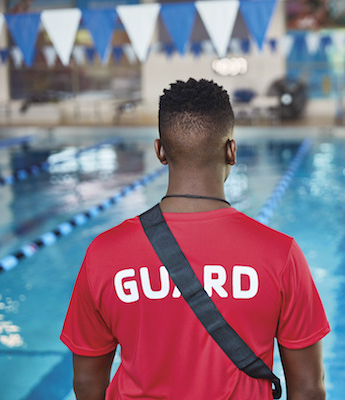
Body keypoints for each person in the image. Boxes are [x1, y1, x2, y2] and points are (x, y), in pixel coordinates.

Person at [60, 79, 330, 399]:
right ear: (231, 150)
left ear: (160, 151)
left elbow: (87, 383)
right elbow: (309, 389)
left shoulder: (104, 254)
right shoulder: (280, 254)